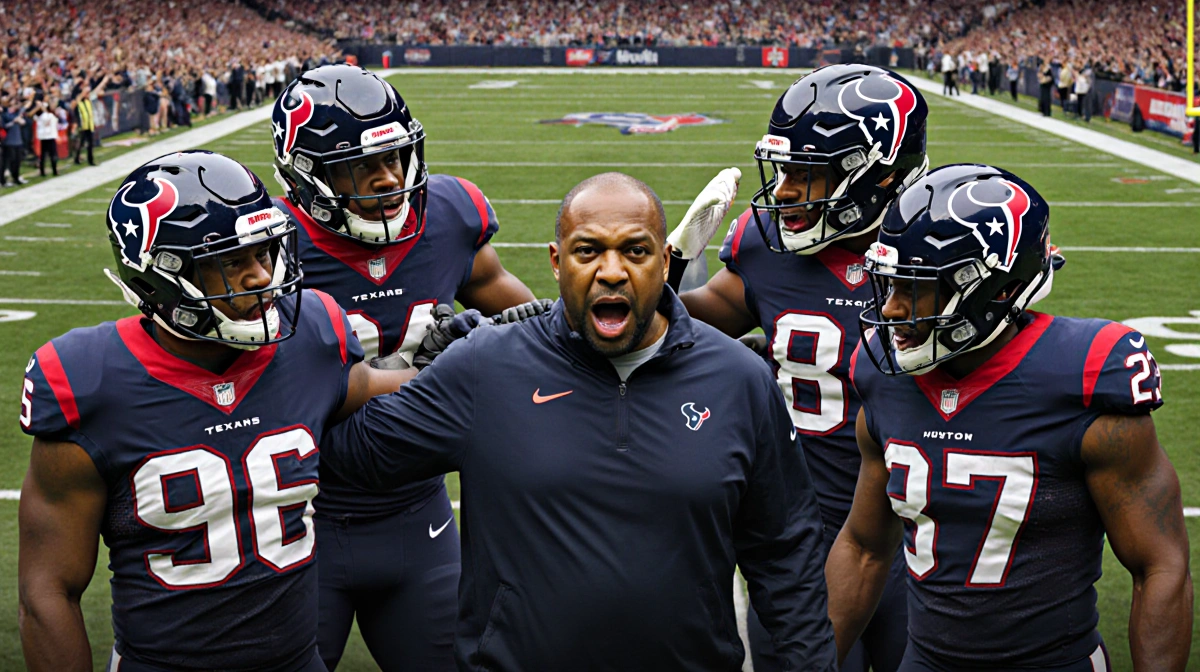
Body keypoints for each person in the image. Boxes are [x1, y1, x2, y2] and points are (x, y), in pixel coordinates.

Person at [323, 172, 838, 671]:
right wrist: (378, 372)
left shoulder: (738, 379)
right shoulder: (485, 366)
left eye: (635, 251)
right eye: (588, 251)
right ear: (556, 262)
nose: (611, 271)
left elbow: (786, 556)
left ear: (665, 261)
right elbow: (351, 454)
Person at [16, 150, 416, 672]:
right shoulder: (90, 383)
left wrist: (471, 357)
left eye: (263, 252)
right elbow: (48, 590)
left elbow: (377, 385)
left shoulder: (312, 337)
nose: (260, 277)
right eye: (230, 262)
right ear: (161, 276)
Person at [828, 164, 1193, 671]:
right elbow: (865, 547)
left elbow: (1159, 566)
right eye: (889, 285)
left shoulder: (1083, 375)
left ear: (996, 290)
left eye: (914, 287)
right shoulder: (882, 373)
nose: (890, 310)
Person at [271, 64, 538, 671]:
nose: (389, 177)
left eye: (394, 156)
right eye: (360, 165)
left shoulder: (447, 215)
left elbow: (522, 322)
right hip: (299, 519)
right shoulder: (268, 255)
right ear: (307, 174)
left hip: (418, 512)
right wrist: (435, 375)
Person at [669, 64, 928, 672]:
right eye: (783, 170)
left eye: (806, 173)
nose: (783, 192)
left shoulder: (934, 256)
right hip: (800, 536)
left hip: (921, 537)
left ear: (879, 176)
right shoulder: (766, 243)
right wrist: (667, 267)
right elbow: (687, 328)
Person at [2, 96, 29, 185]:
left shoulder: (17, 114)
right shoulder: (5, 114)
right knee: (9, 161)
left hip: (18, 141)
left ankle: (16, 178)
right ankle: (5, 180)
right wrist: (14, 121)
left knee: (18, 161)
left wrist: (21, 120)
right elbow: (4, 126)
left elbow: (24, 122)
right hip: (9, 141)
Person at [35, 100, 58, 177]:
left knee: (44, 155)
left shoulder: (41, 116)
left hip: (45, 137)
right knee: (51, 154)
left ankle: (43, 171)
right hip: (49, 136)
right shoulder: (49, 115)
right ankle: (54, 170)